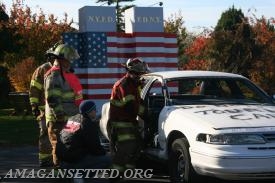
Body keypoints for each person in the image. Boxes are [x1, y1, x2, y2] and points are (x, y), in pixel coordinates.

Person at [108, 57, 149, 180]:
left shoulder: (133, 84)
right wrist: (147, 115)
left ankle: (128, 175)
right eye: (140, 74)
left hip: (129, 122)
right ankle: (114, 176)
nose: (141, 76)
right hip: (120, 123)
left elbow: (138, 102)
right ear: (133, 73)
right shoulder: (124, 85)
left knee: (136, 148)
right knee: (126, 149)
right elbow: (132, 107)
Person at [44, 43, 83, 168]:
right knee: (59, 147)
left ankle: (68, 173)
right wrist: (60, 116)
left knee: (69, 145)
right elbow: (53, 99)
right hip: (59, 120)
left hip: (70, 118)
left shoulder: (65, 74)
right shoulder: (54, 76)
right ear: (61, 60)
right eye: (69, 59)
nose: (71, 62)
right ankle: (59, 176)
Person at [56, 100, 111, 172]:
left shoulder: (72, 119)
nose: (96, 112)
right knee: (109, 159)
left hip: (63, 160)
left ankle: (71, 173)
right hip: (74, 160)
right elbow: (95, 148)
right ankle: (79, 175)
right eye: (94, 110)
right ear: (90, 111)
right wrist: (105, 153)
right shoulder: (88, 124)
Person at [29, 44, 59, 167]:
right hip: (43, 109)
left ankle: (56, 158)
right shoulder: (43, 69)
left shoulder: (62, 70)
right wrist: (34, 106)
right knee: (45, 133)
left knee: (58, 134)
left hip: (58, 110)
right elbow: (34, 89)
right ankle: (45, 159)